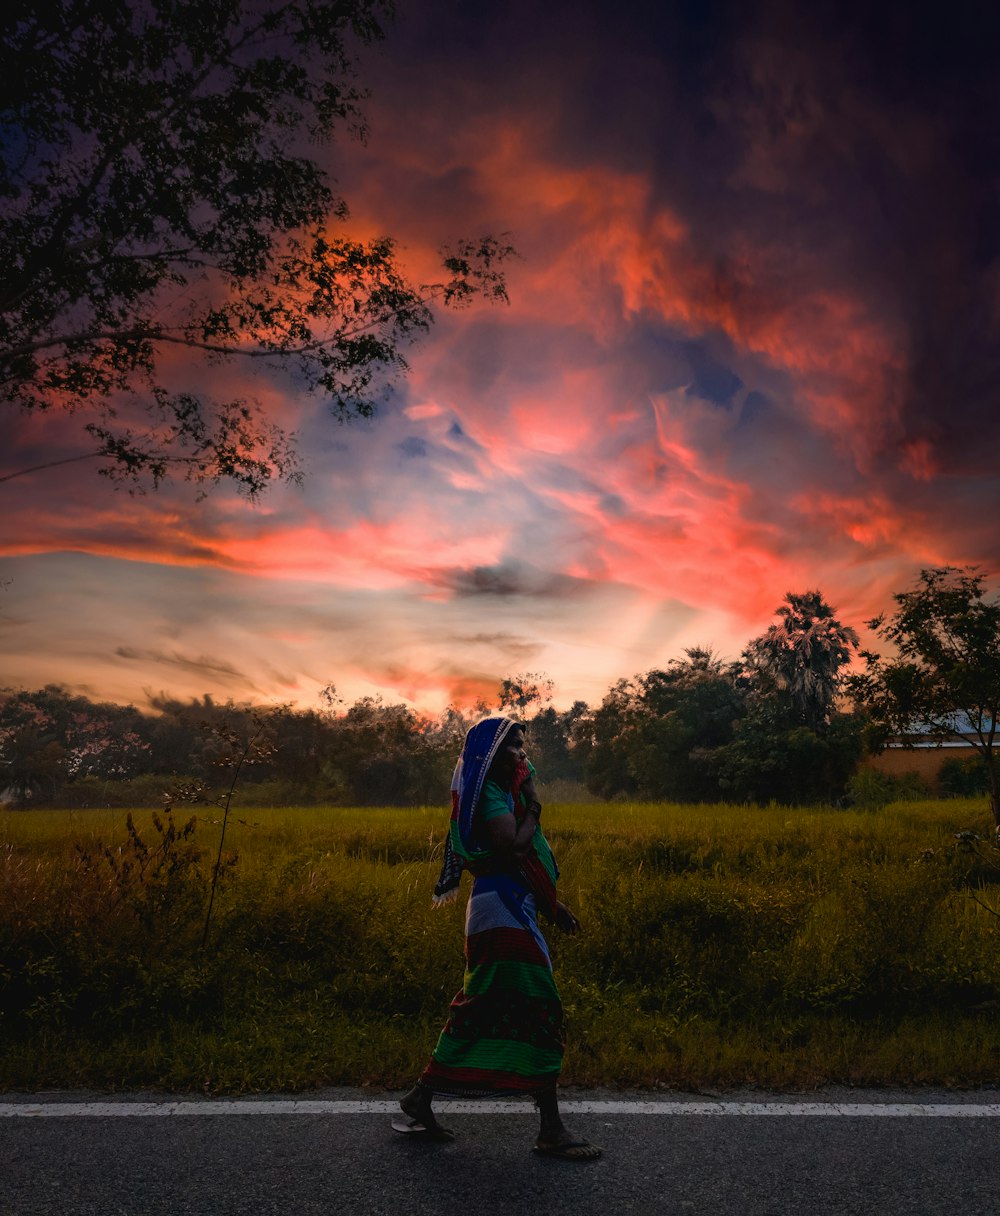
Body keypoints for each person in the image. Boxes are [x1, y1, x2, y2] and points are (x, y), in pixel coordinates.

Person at [394, 715, 601, 1161]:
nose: (522, 754)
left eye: (523, 746)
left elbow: (519, 864)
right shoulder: (490, 794)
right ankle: (551, 1129)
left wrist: (553, 907)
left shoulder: (500, 793)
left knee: (484, 1004)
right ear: (491, 756)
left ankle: (419, 1100)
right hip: (500, 913)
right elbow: (513, 848)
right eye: (514, 747)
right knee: (538, 1006)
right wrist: (535, 806)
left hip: (509, 908)